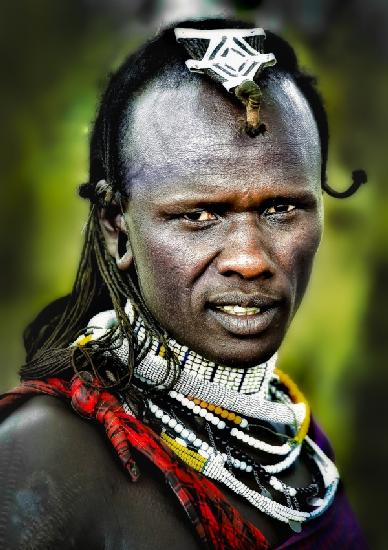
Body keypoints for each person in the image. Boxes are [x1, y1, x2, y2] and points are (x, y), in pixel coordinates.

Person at [0, 18, 368, 549]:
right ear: (116, 228)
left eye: (282, 208)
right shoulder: (43, 458)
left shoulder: (290, 434)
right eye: (198, 215)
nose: (249, 259)